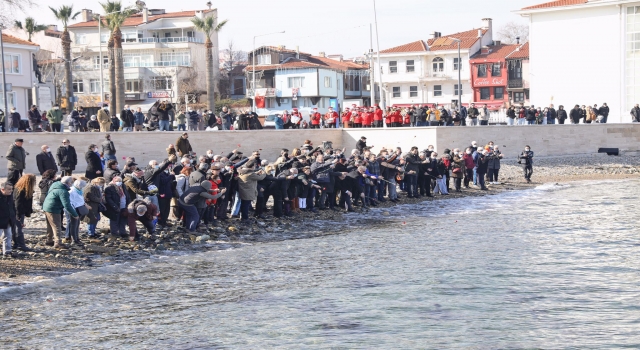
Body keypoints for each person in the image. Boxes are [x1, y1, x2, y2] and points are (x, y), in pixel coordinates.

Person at [42, 176, 78, 249]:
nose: (72, 184)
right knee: (57, 226)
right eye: (72, 183)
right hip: (53, 209)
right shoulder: (63, 192)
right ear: (69, 183)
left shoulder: (55, 184)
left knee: (50, 224)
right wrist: (75, 214)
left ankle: (49, 240)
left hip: (46, 206)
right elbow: (67, 205)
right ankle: (58, 243)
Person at [65, 179, 87, 245]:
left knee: (77, 224)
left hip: (78, 208)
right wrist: (74, 212)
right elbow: (70, 202)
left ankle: (77, 238)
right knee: (73, 225)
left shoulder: (79, 191)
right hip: (73, 209)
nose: (84, 187)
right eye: (83, 186)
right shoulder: (72, 191)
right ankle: (74, 239)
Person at [0, 182, 18, 257]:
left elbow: (12, 207)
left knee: (8, 235)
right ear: (2, 189)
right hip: (0, 220)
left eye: (11, 189)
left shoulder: (10, 196)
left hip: (9, 220)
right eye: (9, 189)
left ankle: (7, 251)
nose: (11, 191)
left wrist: (15, 216)